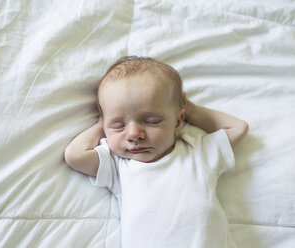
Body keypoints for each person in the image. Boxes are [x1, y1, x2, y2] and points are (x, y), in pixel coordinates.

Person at [64, 56, 249, 248]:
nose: (135, 134)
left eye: (151, 121)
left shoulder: (197, 153)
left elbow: (238, 128)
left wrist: (192, 111)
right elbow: (75, 155)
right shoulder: (119, 167)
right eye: (119, 125)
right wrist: (102, 125)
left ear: (177, 122)